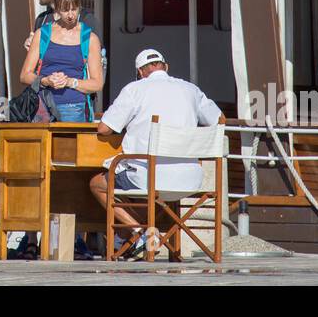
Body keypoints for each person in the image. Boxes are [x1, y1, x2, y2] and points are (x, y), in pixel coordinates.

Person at [89, 48, 223, 259]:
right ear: (165, 67)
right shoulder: (191, 89)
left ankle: (140, 232)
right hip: (190, 179)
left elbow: (104, 128)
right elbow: (218, 120)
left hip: (148, 178)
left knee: (99, 183)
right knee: (149, 195)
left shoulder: (135, 89)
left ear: (140, 72)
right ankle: (133, 235)